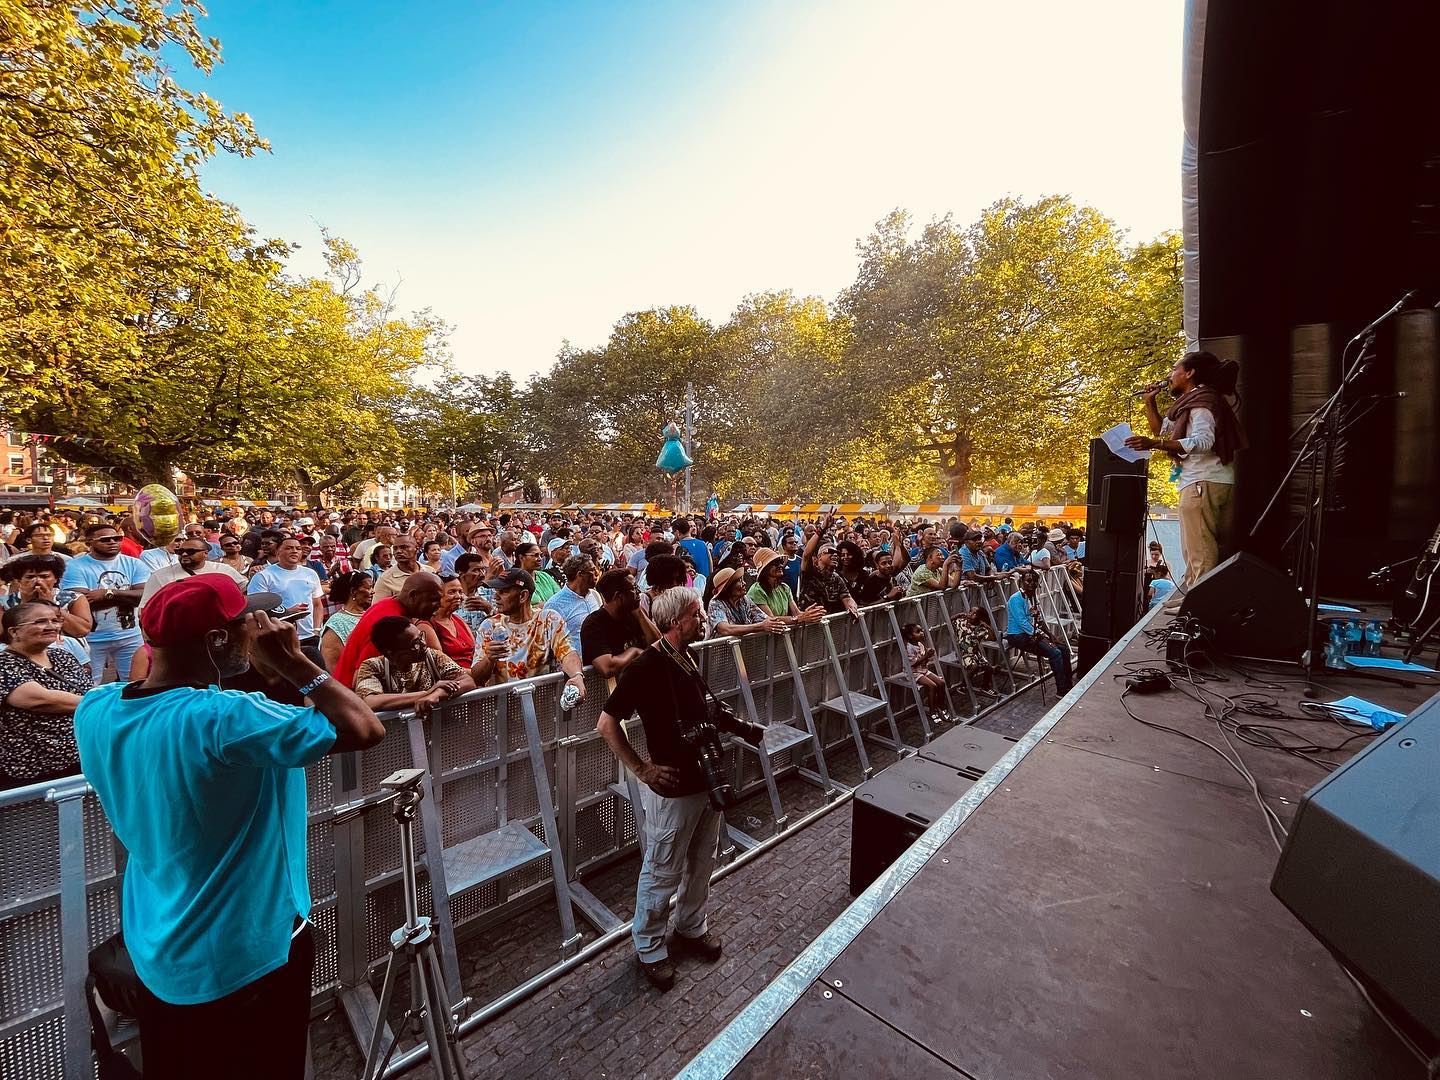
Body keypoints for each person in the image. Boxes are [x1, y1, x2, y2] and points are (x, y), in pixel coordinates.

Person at [73, 575, 384, 1079]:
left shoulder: (96, 708)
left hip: (159, 949)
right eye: (246, 623)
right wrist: (294, 663)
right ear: (217, 639)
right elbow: (364, 727)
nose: (258, 630)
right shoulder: (225, 718)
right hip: (247, 951)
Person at [594, 587, 761, 991]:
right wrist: (642, 769)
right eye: (696, 614)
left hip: (705, 779)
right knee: (662, 868)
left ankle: (690, 926)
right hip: (673, 787)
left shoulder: (686, 656)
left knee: (703, 859)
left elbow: (706, 710)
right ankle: (649, 946)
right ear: (675, 621)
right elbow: (605, 724)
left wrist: (745, 730)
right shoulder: (647, 666)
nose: (702, 620)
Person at [1126, 350, 1246, 589]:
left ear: (1189, 373)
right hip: (1199, 479)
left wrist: (1156, 445)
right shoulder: (1192, 402)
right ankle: (1192, 594)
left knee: (1200, 546)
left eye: (1174, 370)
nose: (1170, 376)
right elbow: (1161, 431)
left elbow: (1203, 442)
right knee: (1193, 545)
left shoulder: (1202, 403)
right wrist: (1150, 402)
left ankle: (1199, 601)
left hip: (1203, 480)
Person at [0, 601, 91, 789]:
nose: (51, 626)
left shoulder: (62, 656)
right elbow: (39, 699)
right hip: (29, 770)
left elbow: (86, 690)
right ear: (14, 632)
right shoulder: (4, 664)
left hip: (81, 758)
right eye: (40, 622)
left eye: (55, 621)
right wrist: (103, 701)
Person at [470, 568, 585, 698]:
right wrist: (489, 658)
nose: (495, 596)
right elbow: (477, 678)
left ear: (523, 595)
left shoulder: (547, 620)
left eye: (504, 591)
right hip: (502, 710)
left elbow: (568, 653)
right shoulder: (489, 626)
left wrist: (577, 676)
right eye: (496, 591)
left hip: (542, 706)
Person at [61, 522, 150, 685]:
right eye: (105, 539)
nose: (112, 542)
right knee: (88, 685)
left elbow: (143, 596)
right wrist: (126, 595)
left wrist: (108, 593)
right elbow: (80, 601)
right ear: (89, 543)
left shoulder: (134, 563)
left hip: (130, 635)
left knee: (133, 684)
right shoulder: (74, 566)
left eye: (117, 538)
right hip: (91, 638)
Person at [353, 615, 475, 716]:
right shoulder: (372, 666)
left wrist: (437, 694)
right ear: (390, 652)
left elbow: (467, 681)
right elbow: (371, 701)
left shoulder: (432, 656)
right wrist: (426, 693)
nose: (423, 644)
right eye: (414, 643)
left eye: (421, 636)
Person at [248, 538, 325, 648]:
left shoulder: (310, 573)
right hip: (279, 637)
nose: (294, 551)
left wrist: (316, 630)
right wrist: (286, 612)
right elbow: (257, 610)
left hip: (310, 637)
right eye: (289, 548)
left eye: (298, 548)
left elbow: (317, 604)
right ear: (278, 552)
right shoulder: (263, 576)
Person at [139, 534, 248, 610]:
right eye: (180, 551)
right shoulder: (160, 576)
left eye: (191, 551)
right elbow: (145, 607)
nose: (184, 554)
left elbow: (247, 590)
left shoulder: (223, 570)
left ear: (205, 553)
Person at [1005, 570, 1073, 693]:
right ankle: (1061, 690)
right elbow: (1022, 623)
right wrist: (1042, 637)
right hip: (1017, 636)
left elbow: (1039, 620)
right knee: (1055, 653)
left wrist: (1051, 635)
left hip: (1032, 634)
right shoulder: (1016, 599)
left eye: (1034, 581)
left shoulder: (1033, 598)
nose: (1032, 584)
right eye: (1029, 581)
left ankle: (1069, 684)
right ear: (1022, 582)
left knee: (1063, 649)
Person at [581, 569, 655, 679]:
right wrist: (634, 651)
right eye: (634, 588)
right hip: (612, 692)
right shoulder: (593, 624)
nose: (639, 591)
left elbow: (657, 645)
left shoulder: (633, 615)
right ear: (618, 595)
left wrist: (640, 614)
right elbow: (607, 667)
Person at [799, 517, 859, 617]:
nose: (835, 555)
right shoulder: (810, 572)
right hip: (809, 625)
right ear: (819, 557)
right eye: (830, 551)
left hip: (830, 624)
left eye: (836, 553)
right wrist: (822, 528)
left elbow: (847, 597)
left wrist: (852, 607)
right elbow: (806, 555)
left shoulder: (836, 578)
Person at [746, 548, 824, 625]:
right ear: (765, 569)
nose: (780, 566)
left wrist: (811, 614)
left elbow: (796, 613)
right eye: (775, 563)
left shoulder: (784, 588)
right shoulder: (757, 591)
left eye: (780, 562)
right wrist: (799, 618)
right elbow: (771, 619)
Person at [318, 571, 373, 672]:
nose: (372, 591)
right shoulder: (336, 624)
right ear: (353, 591)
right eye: (368, 588)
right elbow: (332, 667)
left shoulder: (370, 614)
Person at [543, 554, 602, 646]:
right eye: (592, 570)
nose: (597, 574)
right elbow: (550, 642)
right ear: (580, 575)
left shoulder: (594, 595)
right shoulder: (554, 605)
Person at [706, 567, 784, 637]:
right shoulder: (715, 604)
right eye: (739, 581)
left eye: (742, 580)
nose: (744, 583)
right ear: (728, 588)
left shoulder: (744, 600)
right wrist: (761, 626)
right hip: (720, 651)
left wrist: (774, 624)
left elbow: (762, 618)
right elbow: (725, 629)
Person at [899, 622, 949, 718]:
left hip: (922, 670)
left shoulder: (920, 645)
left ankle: (941, 707)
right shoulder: (908, 648)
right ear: (910, 636)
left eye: (922, 630)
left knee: (941, 683)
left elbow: (923, 663)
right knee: (932, 686)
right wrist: (926, 656)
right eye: (918, 632)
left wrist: (928, 656)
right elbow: (912, 664)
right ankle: (932, 712)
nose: (922, 633)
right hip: (912, 673)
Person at [428, 576, 477, 667]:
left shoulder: (458, 620)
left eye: (460, 592)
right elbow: (441, 666)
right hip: (454, 677)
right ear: (437, 595)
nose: (458, 596)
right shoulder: (428, 624)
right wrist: (477, 673)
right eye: (452, 592)